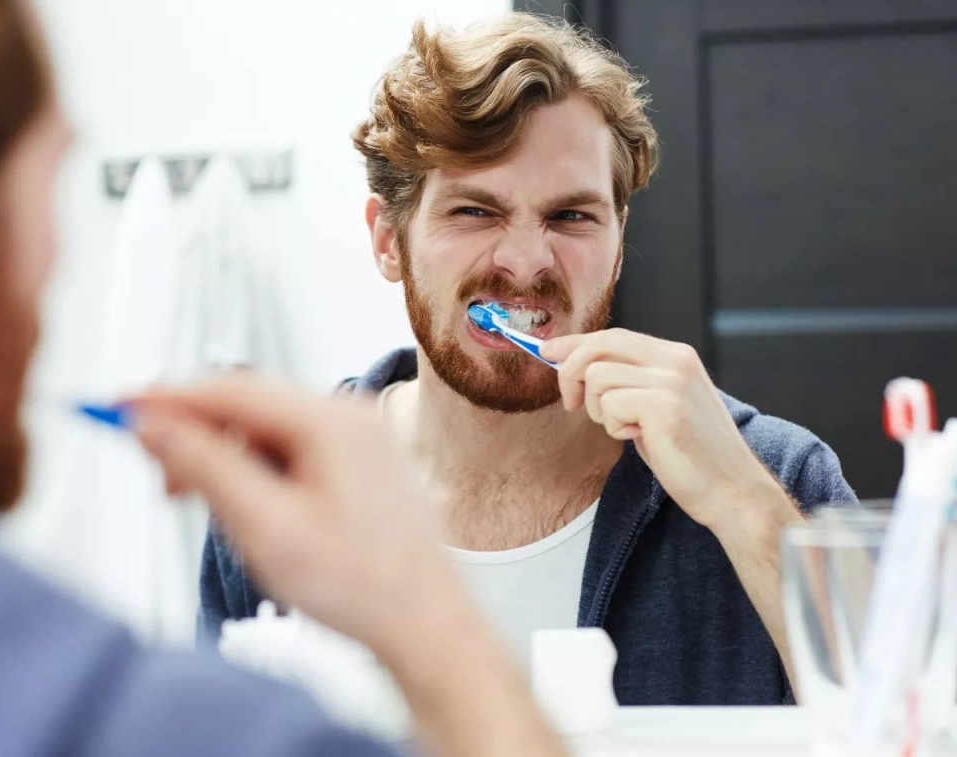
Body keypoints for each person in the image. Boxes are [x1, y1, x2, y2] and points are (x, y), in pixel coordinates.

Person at [0, 2, 566, 756]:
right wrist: (428, 618)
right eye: (47, 190)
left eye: (572, 213)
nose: (53, 265)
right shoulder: (96, 714)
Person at [199, 13, 858, 706]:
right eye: (475, 212)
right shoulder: (272, 493)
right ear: (389, 240)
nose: (525, 261)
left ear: (619, 236)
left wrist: (746, 506)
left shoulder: (777, 475)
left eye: (572, 217)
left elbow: (914, 724)